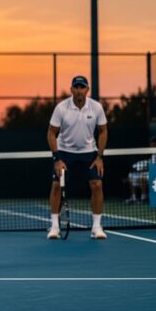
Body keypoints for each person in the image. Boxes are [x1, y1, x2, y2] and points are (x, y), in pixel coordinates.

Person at [47, 75, 108, 240]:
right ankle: (54, 227)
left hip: (89, 152)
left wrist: (99, 157)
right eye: (76, 87)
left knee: (97, 185)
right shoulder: (61, 108)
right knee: (56, 186)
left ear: (87, 90)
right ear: (71, 90)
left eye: (82, 87)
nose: (79, 90)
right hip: (65, 152)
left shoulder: (96, 107)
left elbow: (103, 131)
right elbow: (51, 133)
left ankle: (97, 227)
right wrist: (57, 159)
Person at [125, 136, 156, 204]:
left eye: (153, 145)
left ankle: (144, 198)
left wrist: (142, 169)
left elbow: (153, 167)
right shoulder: (153, 155)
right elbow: (148, 163)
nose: (151, 146)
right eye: (151, 145)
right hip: (149, 172)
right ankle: (134, 198)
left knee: (143, 177)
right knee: (131, 176)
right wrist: (137, 166)